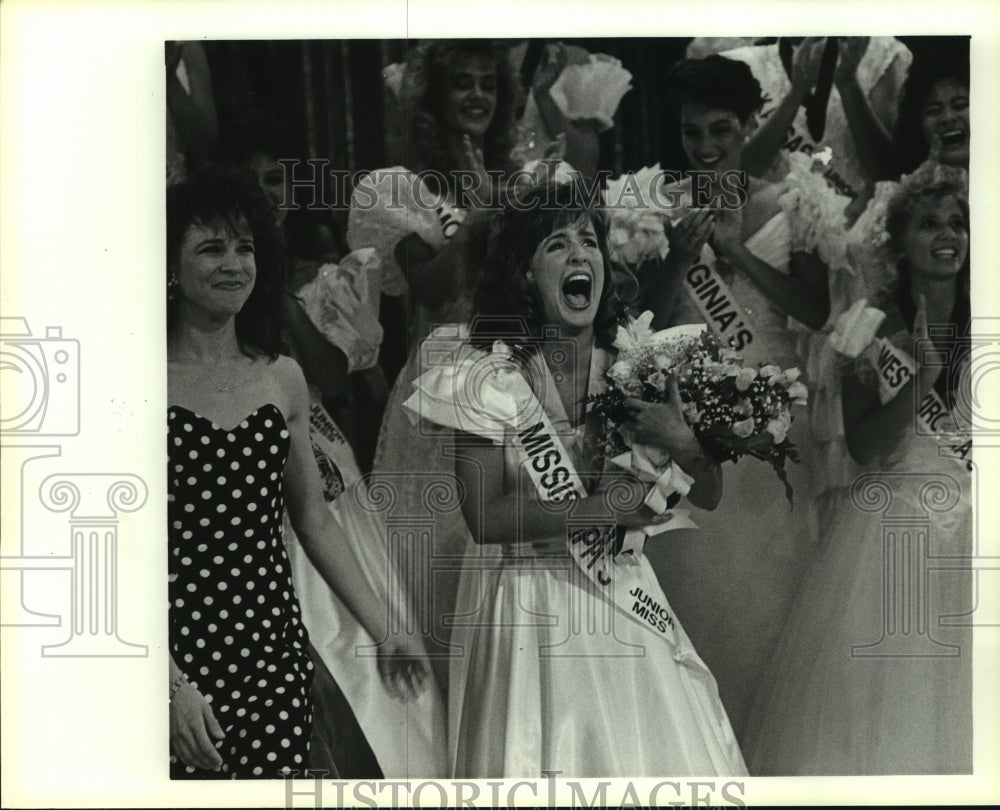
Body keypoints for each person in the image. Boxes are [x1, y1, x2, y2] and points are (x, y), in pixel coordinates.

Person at [404, 180, 746, 777]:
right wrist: (609, 510)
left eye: (588, 241)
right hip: (528, 607)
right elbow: (485, 517)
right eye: (556, 245)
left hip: (624, 595)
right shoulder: (486, 372)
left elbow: (710, 496)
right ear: (522, 275)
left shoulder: (643, 365)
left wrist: (685, 442)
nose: (579, 255)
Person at [167, 164, 428, 779]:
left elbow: (314, 519)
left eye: (245, 247)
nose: (233, 263)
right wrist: (166, 684)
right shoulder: (133, 382)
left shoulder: (280, 375)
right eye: (211, 248)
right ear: (171, 267)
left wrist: (385, 628)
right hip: (179, 655)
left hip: (273, 650)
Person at [742, 163, 972, 774]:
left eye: (958, 222)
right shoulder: (872, 328)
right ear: (901, 243)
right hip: (901, 527)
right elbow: (866, 447)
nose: (947, 235)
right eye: (929, 224)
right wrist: (917, 380)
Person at [644, 53, 839, 739]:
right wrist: (675, 257)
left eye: (721, 130)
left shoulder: (792, 203)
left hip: (778, 428)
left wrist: (741, 254)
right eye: (692, 133)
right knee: (699, 597)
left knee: (772, 604)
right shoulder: (656, 207)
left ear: (751, 123)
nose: (706, 148)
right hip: (690, 435)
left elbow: (820, 313)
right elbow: (639, 327)